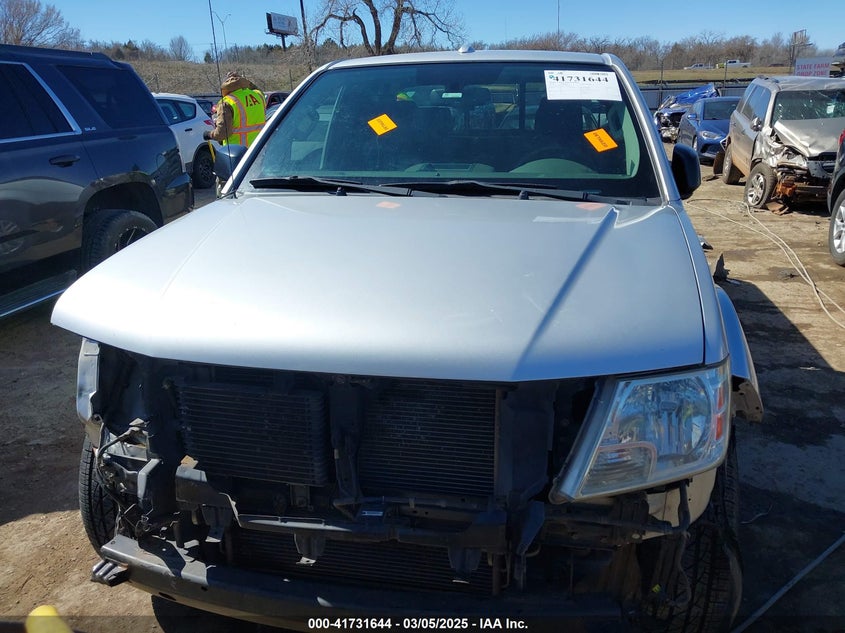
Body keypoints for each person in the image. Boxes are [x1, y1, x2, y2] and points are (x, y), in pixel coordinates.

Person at [203, 71, 266, 147]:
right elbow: (253, 87)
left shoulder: (226, 102)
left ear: (225, 89)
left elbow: (223, 133)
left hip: (238, 151)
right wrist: (241, 78)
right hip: (260, 148)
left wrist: (209, 134)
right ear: (243, 84)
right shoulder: (258, 95)